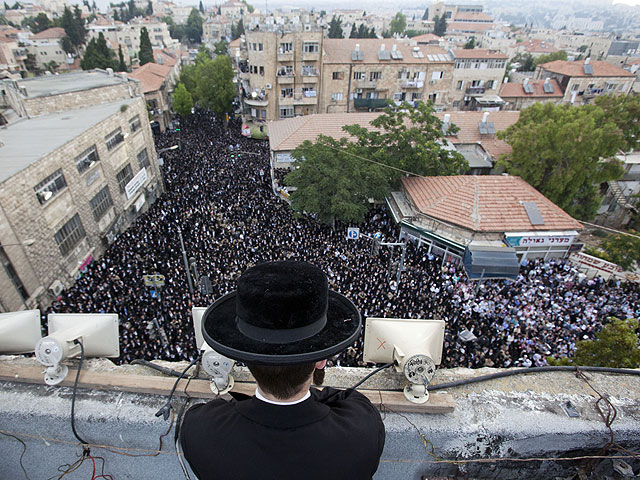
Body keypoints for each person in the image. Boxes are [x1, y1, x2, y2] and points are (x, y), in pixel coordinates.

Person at [179, 261, 385, 480]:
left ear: (245, 357)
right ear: (321, 361)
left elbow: (220, 410)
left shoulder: (200, 431)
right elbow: (350, 399)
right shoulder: (362, 432)